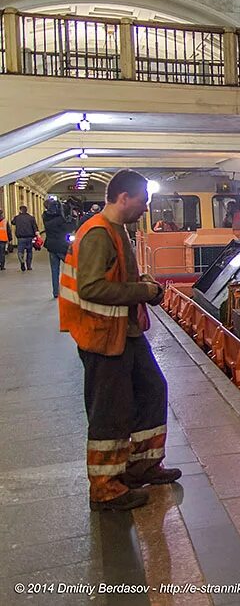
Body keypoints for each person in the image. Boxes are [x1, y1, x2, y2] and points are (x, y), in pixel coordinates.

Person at [58, 170, 180, 512]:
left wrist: (141, 282)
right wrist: (142, 291)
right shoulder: (98, 233)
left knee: (152, 389)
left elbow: (117, 277)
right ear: (124, 197)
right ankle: (105, 486)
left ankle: (142, 465)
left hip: (124, 332)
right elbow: (91, 288)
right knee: (110, 411)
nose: (146, 208)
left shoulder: (118, 230)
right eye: (143, 201)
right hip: (102, 336)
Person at [42, 198, 75, 298]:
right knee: (71, 268)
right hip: (62, 247)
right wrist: (72, 218)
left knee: (54, 270)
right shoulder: (61, 219)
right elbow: (70, 228)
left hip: (51, 247)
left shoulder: (45, 217)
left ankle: (55, 292)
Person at [11, 205, 39, 271]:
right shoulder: (31, 218)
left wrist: (18, 216)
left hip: (20, 238)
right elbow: (35, 227)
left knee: (20, 251)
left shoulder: (17, 218)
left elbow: (12, 222)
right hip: (30, 237)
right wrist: (37, 234)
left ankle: (22, 262)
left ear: (20, 210)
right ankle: (29, 266)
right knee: (29, 252)